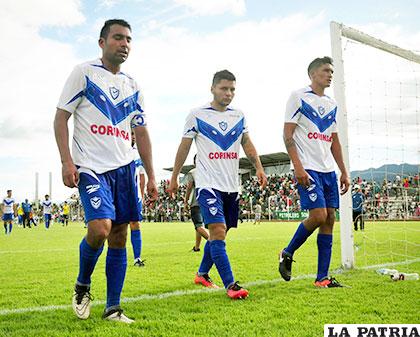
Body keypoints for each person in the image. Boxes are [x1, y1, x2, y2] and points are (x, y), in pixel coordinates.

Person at [54, 19, 157, 323]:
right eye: (117, 38)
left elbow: (142, 132)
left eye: (128, 39)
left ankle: (113, 307)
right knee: (99, 228)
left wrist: (151, 175)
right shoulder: (84, 73)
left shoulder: (133, 85)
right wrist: (66, 161)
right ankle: (83, 283)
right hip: (91, 168)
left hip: (125, 168)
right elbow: (61, 119)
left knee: (119, 237)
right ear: (102, 42)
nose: (124, 44)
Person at [168, 70, 267, 299]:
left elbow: (247, 143)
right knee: (218, 231)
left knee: (220, 234)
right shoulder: (197, 114)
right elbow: (184, 147)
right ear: (212, 88)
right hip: (207, 183)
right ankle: (231, 285)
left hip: (231, 185)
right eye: (224, 88)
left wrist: (259, 167)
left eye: (232, 89)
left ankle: (202, 274)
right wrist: (174, 176)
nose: (229, 93)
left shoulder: (239, 116)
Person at [278, 56, 350, 288]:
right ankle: (287, 252)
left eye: (332, 71)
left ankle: (322, 278)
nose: (330, 74)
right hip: (307, 167)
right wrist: (297, 166)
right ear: (312, 74)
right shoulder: (298, 97)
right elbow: (288, 134)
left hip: (328, 169)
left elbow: (334, 141)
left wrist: (344, 172)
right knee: (318, 216)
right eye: (326, 70)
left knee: (329, 219)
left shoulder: (331, 104)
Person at [184, 155, 209, 252]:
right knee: (200, 225)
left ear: (194, 162)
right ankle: (197, 247)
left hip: (197, 203)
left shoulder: (192, 172)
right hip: (207, 203)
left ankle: (214, 242)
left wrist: (186, 201)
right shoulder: (208, 172)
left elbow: (189, 187)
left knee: (198, 226)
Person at [130, 131, 146, 267]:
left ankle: (137, 258)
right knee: (116, 226)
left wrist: (141, 194)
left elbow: (141, 176)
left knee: (135, 223)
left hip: (135, 196)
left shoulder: (138, 153)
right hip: (118, 192)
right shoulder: (117, 148)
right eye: (131, 133)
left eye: (135, 134)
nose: (133, 136)